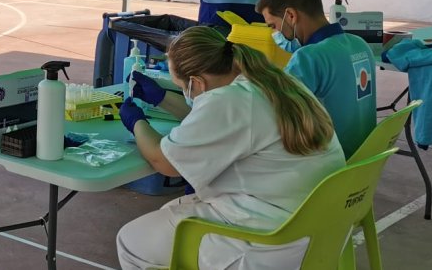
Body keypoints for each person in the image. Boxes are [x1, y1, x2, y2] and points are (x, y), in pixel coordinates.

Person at [116, 26, 344, 270]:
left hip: (272, 240)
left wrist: (136, 122)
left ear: (196, 82)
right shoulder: (273, 80)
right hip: (317, 222)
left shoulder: (229, 101)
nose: (185, 93)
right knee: (171, 210)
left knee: (131, 241)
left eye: (181, 86)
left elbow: (164, 162)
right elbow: (213, 122)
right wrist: (162, 98)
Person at [256, 0, 376, 159]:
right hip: (365, 157)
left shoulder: (309, 57)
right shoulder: (360, 44)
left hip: (329, 161)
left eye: (273, 26)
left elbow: (273, 112)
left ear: (290, 16)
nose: (275, 34)